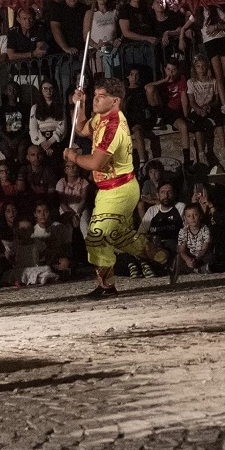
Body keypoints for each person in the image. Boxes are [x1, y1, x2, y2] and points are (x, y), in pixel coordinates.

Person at [65, 77, 172, 299]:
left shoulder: (114, 126)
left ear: (115, 100)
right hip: (111, 189)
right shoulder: (102, 118)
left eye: (100, 97)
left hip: (119, 189)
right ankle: (162, 256)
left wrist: (74, 157)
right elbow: (82, 129)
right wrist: (80, 104)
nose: (96, 100)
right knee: (119, 236)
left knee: (97, 235)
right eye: (94, 96)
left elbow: (96, 163)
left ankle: (106, 286)